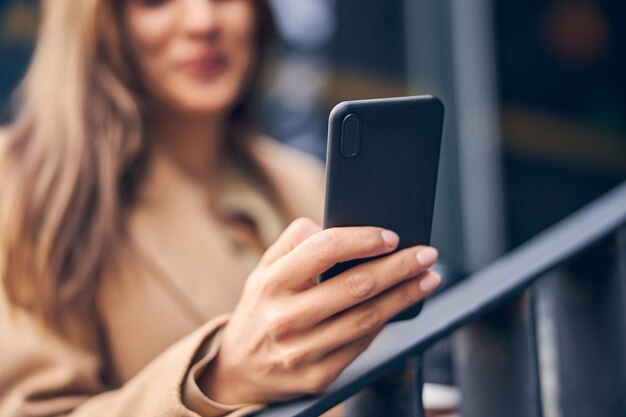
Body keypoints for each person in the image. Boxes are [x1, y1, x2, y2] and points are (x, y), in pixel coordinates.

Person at [0, 1, 442, 416]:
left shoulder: (300, 181)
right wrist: (218, 380)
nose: (202, 21)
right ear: (100, 23)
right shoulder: (21, 184)